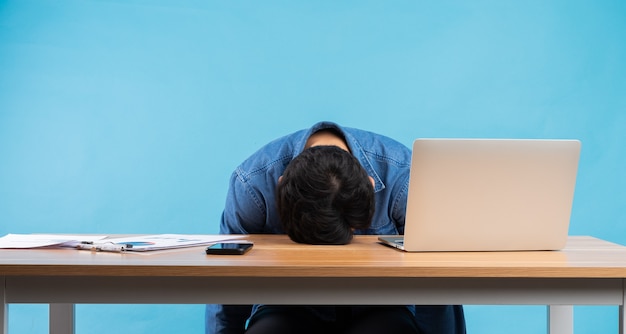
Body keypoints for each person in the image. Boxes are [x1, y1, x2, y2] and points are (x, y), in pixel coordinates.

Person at [206, 121, 466, 334]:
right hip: (288, 303)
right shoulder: (253, 184)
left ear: (369, 183)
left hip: (379, 304)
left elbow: (435, 279)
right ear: (280, 186)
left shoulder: (406, 178)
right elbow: (228, 280)